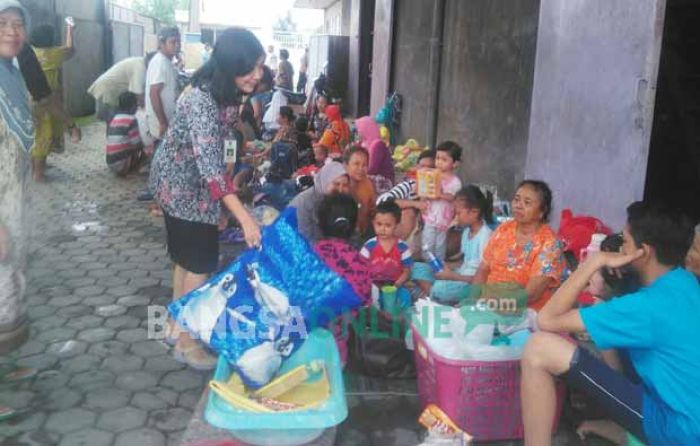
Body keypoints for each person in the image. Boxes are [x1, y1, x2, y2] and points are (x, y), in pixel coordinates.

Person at [521, 202, 700, 446]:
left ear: (643, 252)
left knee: (539, 347)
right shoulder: (685, 282)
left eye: (625, 242)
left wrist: (595, 262)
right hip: (689, 415)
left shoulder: (645, 306)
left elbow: (547, 320)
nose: (620, 248)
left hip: (678, 430)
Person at [149, 27, 264, 370]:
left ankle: (172, 326)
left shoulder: (225, 91)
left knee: (186, 258)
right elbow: (212, 172)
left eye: (260, 66)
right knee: (200, 263)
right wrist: (243, 216)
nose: (258, 75)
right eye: (251, 68)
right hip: (181, 186)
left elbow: (220, 152)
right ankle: (186, 342)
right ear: (229, 65)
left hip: (192, 182)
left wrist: (226, 194)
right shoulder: (201, 99)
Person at [473, 180, 566, 312]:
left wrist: (492, 307)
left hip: (523, 312)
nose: (518, 205)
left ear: (542, 211)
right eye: (517, 200)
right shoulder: (504, 229)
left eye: (527, 202)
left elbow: (531, 295)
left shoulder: (550, 243)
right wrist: (472, 300)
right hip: (488, 306)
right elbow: (483, 268)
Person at [0, 0, 33, 355]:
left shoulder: (11, 71)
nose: (11, 31)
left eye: (18, 24)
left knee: (11, 286)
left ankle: (6, 369)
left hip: (14, 201)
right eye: (2, 22)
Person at [314, 192, 372, 366]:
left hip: (303, 353)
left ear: (319, 222)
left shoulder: (307, 257)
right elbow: (366, 303)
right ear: (354, 226)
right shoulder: (360, 262)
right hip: (339, 358)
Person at [412, 185, 494, 303]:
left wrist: (452, 277)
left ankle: (430, 294)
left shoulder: (486, 235)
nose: (455, 217)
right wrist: (446, 268)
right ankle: (431, 294)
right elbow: (464, 263)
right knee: (416, 268)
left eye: (458, 213)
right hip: (459, 275)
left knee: (441, 288)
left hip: (470, 284)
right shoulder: (466, 232)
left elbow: (484, 276)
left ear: (474, 212)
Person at [29, 21, 79, 181]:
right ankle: (38, 174)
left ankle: (34, 168)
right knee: (44, 136)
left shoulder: (29, 53)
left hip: (28, 101)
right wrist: (70, 29)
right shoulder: (52, 54)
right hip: (46, 102)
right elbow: (71, 49)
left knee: (35, 136)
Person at [360, 201, 414, 307]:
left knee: (405, 297)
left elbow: (406, 271)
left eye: (388, 225)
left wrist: (397, 285)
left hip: (394, 286)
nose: (383, 229)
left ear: (396, 225)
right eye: (379, 224)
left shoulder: (402, 248)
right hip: (373, 286)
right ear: (373, 223)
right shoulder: (369, 246)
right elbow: (360, 269)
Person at [377, 150, 435, 242]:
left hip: (433, 234)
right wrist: (415, 204)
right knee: (408, 213)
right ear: (416, 168)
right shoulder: (408, 186)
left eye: (430, 167)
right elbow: (383, 200)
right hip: (409, 235)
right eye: (422, 166)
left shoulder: (442, 191)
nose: (425, 171)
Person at [420, 141, 463, 260]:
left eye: (444, 160)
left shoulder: (455, 181)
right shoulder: (431, 175)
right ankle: (428, 264)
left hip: (444, 219)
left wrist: (440, 195)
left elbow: (453, 197)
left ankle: (439, 268)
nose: (439, 162)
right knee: (427, 241)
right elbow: (424, 191)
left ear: (455, 163)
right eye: (437, 158)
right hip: (430, 216)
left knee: (440, 244)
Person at [289, 161, 350, 243]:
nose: (340, 189)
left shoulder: (339, 201)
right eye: (336, 184)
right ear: (325, 182)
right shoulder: (306, 202)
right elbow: (306, 238)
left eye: (345, 185)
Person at [88, 53, 155, 123]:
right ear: (150, 61)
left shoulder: (140, 62)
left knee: (114, 123)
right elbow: (138, 93)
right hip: (108, 91)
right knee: (115, 122)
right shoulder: (140, 67)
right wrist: (147, 110)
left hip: (108, 90)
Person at [146, 26, 181, 141]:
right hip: (161, 126)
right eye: (172, 42)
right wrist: (163, 122)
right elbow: (153, 93)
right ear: (161, 43)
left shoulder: (166, 61)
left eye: (178, 41)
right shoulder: (159, 62)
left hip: (167, 123)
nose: (177, 45)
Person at [105, 92, 143, 176]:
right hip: (122, 165)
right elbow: (137, 143)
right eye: (136, 105)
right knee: (145, 147)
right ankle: (142, 166)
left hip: (110, 163)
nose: (137, 107)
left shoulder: (115, 117)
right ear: (132, 106)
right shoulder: (131, 119)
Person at [355, 115, 394, 194]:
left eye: (359, 129)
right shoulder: (364, 143)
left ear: (366, 129)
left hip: (383, 180)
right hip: (369, 175)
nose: (358, 132)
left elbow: (372, 169)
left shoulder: (377, 145)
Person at [345, 146, 376, 237]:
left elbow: (372, 211)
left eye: (364, 165)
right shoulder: (341, 186)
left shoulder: (367, 184)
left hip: (365, 233)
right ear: (346, 165)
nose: (361, 169)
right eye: (356, 164)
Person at [250, 65, 274, 131]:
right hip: (268, 122)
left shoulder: (256, 95)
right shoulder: (270, 92)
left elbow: (257, 113)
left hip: (261, 125)